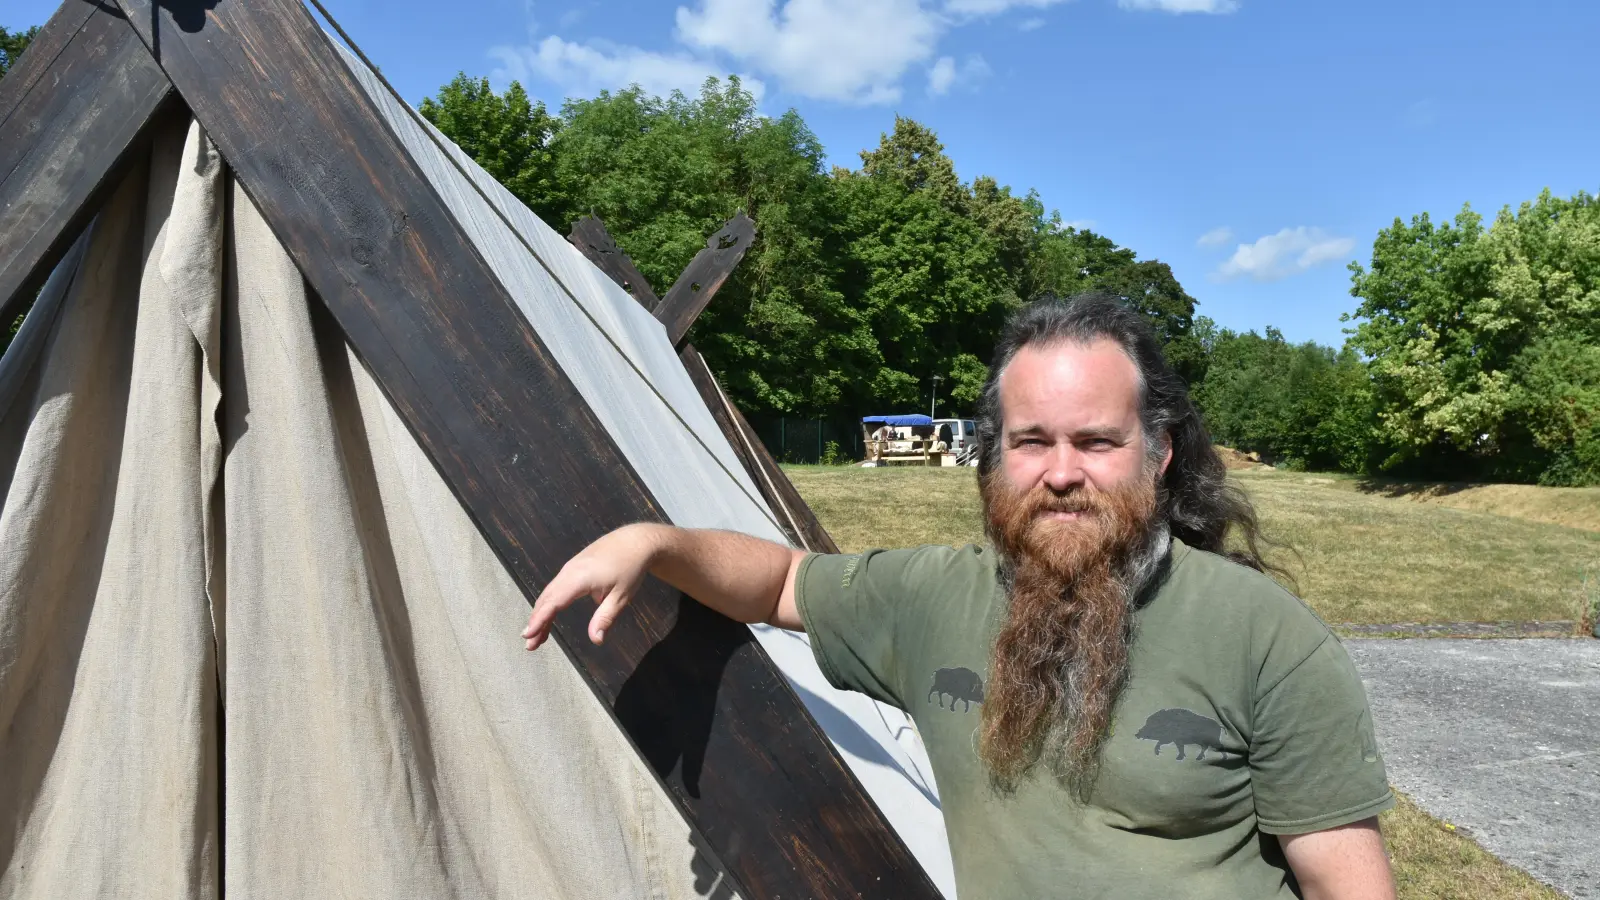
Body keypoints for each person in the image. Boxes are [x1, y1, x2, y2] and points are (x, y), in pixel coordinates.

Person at [523, 293, 1396, 900]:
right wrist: (656, 543)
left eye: (1096, 441)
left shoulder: (1267, 639)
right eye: (1031, 442)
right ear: (995, 454)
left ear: (1158, 455)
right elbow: (782, 579)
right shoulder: (930, 598)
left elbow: (1341, 882)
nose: (1061, 473)